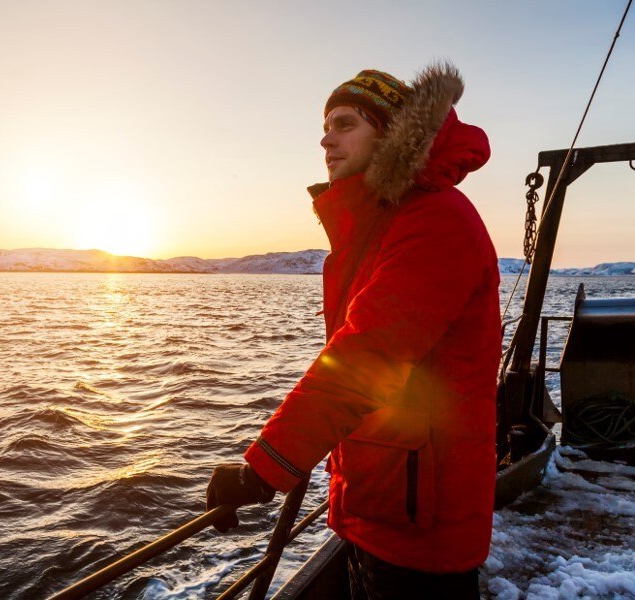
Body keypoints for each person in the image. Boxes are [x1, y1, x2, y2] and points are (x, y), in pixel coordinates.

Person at [205, 62, 500, 599]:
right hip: (383, 500)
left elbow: (366, 358)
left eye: (344, 123)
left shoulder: (436, 222)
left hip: (421, 528)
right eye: (326, 125)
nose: (325, 138)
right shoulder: (381, 226)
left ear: (388, 132)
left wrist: (262, 471)